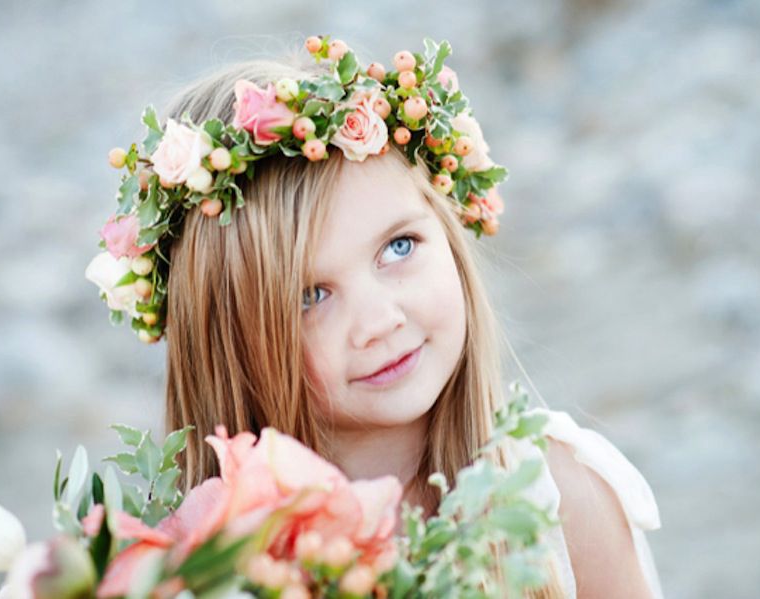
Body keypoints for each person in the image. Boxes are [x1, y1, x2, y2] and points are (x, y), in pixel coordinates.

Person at [87, 37, 663, 598]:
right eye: (310, 297)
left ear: (445, 228)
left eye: (399, 247)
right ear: (227, 343)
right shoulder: (217, 566)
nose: (379, 321)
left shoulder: (561, 498)